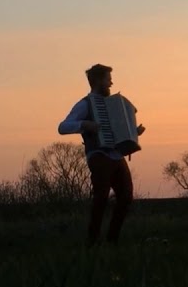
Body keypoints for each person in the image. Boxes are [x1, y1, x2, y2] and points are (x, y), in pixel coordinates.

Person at [57, 63, 146, 245]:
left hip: (117, 155)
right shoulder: (85, 104)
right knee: (101, 198)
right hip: (98, 155)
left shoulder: (114, 105)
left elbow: (120, 131)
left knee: (126, 197)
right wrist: (84, 124)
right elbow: (62, 127)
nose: (111, 83)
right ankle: (93, 240)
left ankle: (112, 240)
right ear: (98, 81)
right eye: (108, 79)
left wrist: (134, 132)